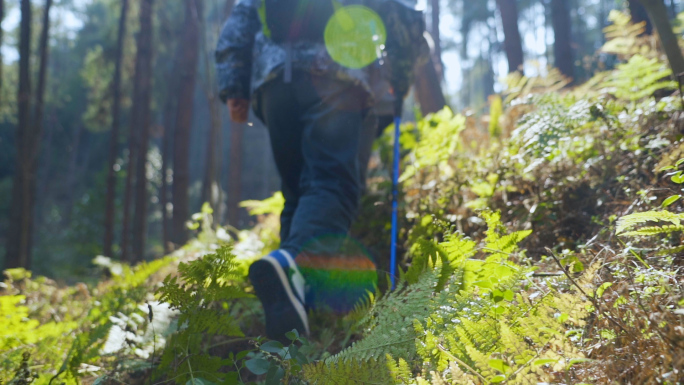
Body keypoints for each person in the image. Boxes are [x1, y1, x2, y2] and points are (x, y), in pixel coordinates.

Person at [215, 0, 426, 340]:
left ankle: (293, 318)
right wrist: (398, 83)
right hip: (337, 76)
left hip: (274, 84)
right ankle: (292, 266)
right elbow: (401, 18)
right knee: (333, 184)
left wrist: (233, 88)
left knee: (297, 192)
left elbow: (239, 22)